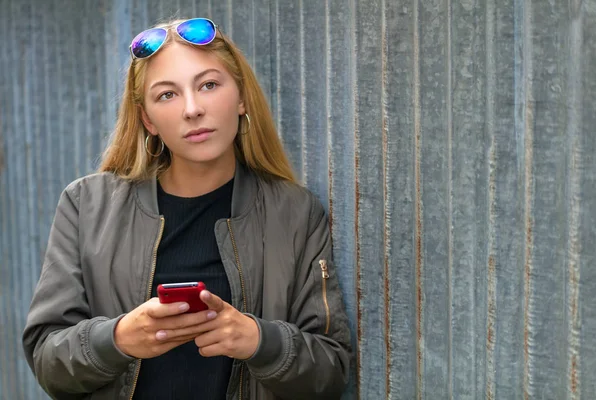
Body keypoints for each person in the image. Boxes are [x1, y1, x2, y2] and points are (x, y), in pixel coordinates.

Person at [22, 18, 351, 400]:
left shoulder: (295, 213)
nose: (192, 109)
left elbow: (331, 372)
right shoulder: (86, 206)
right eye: (167, 95)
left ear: (241, 97)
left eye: (208, 85)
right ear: (148, 120)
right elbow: (48, 362)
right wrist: (117, 339)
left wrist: (260, 341)